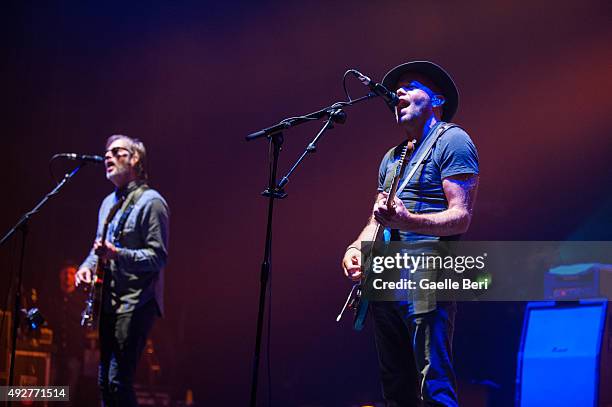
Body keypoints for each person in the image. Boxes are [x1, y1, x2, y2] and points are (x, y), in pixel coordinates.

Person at [341, 61, 479, 406]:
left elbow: (460, 217)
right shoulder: (392, 157)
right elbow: (379, 218)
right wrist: (356, 246)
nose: (398, 92)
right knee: (395, 388)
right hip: (386, 279)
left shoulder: (453, 140)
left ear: (438, 99)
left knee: (434, 386)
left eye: (409, 85)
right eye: (397, 88)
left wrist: (409, 222)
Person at [75, 134, 169, 406]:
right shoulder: (107, 203)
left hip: (137, 302)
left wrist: (118, 254)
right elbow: (98, 249)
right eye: (106, 153)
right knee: (104, 381)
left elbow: (158, 257)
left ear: (135, 158)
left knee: (118, 380)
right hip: (109, 303)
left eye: (117, 152)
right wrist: (85, 267)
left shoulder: (152, 202)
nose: (108, 157)